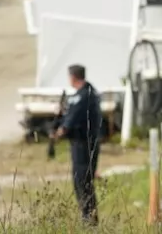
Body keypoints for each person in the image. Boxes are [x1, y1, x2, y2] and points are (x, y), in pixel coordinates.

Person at [53, 63, 104, 225]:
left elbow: (70, 121)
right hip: (84, 144)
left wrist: (59, 132)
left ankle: (89, 220)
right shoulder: (89, 92)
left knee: (82, 182)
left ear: (72, 77)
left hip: (83, 145)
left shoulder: (82, 96)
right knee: (83, 181)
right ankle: (88, 217)